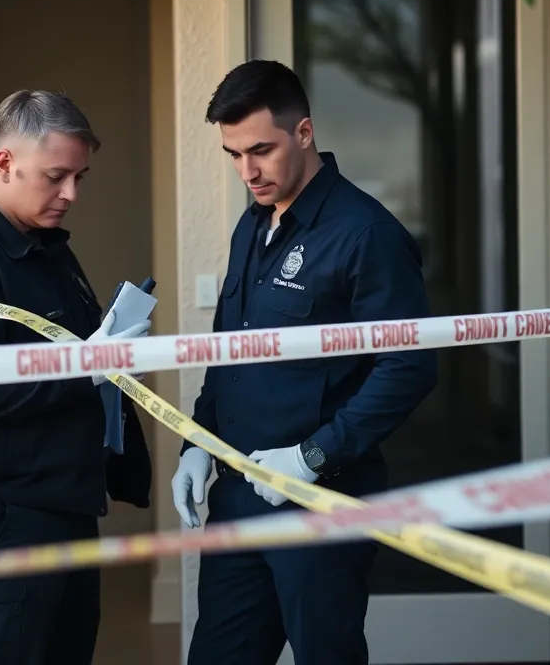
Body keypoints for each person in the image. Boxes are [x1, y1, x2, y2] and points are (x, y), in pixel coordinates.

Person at [172, 60, 438, 665]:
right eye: (233, 155)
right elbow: (228, 351)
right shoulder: (253, 226)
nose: (248, 171)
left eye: (261, 150)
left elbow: (409, 368)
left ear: (305, 132)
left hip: (322, 502)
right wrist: (196, 443)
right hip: (239, 498)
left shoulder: (367, 234)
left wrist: (312, 457)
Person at [0, 89, 153, 665]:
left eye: (80, 178)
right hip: (4, 516)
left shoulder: (40, 247)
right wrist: (87, 367)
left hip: (58, 502)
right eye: (57, 176)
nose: (71, 194)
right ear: (5, 163)